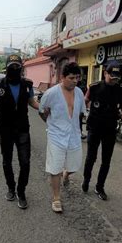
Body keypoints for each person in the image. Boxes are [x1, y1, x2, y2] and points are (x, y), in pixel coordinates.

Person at [0, 54, 40, 210]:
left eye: (18, 67)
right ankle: (11, 187)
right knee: (6, 161)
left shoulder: (27, 85)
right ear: (7, 68)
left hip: (23, 128)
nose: (15, 69)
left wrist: (45, 109)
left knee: (25, 162)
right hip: (5, 128)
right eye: (12, 67)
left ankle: (21, 192)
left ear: (21, 68)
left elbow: (32, 102)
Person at [39, 62, 86, 213]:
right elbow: (42, 110)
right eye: (71, 77)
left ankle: (66, 175)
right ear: (62, 77)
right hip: (56, 135)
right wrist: (50, 123)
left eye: (77, 77)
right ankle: (56, 198)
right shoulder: (51, 93)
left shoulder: (79, 92)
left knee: (74, 165)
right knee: (55, 168)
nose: (75, 80)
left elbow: (79, 113)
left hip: (73, 135)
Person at [82, 61, 122, 200]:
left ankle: (100, 187)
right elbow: (84, 102)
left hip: (110, 129)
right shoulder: (94, 87)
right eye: (111, 76)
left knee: (106, 160)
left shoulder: (121, 89)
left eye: (116, 77)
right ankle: (86, 180)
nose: (114, 80)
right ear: (105, 73)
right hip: (94, 127)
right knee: (91, 158)